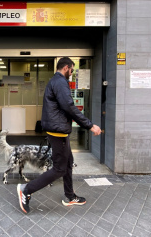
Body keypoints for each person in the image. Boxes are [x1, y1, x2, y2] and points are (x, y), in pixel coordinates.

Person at [17, 57, 101, 214]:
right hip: (58, 131)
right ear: (66, 68)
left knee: (68, 162)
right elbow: (69, 107)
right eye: (72, 70)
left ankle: (70, 196)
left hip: (58, 129)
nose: (72, 73)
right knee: (59, 168)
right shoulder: (61, 82)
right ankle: (26, 190)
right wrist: (89, 125)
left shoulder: (54, 81)